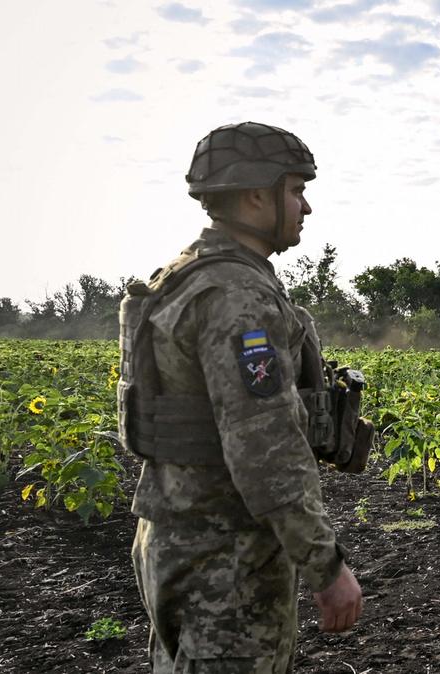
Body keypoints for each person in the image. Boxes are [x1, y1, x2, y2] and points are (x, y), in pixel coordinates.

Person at [118, 121, 364, 673]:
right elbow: (265, 446)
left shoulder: (181, 277)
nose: (306, 208)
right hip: (227, 555)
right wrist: (325, 566)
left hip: (172, 538)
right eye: (297, 190)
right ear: (257, 194)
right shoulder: (238, 295)